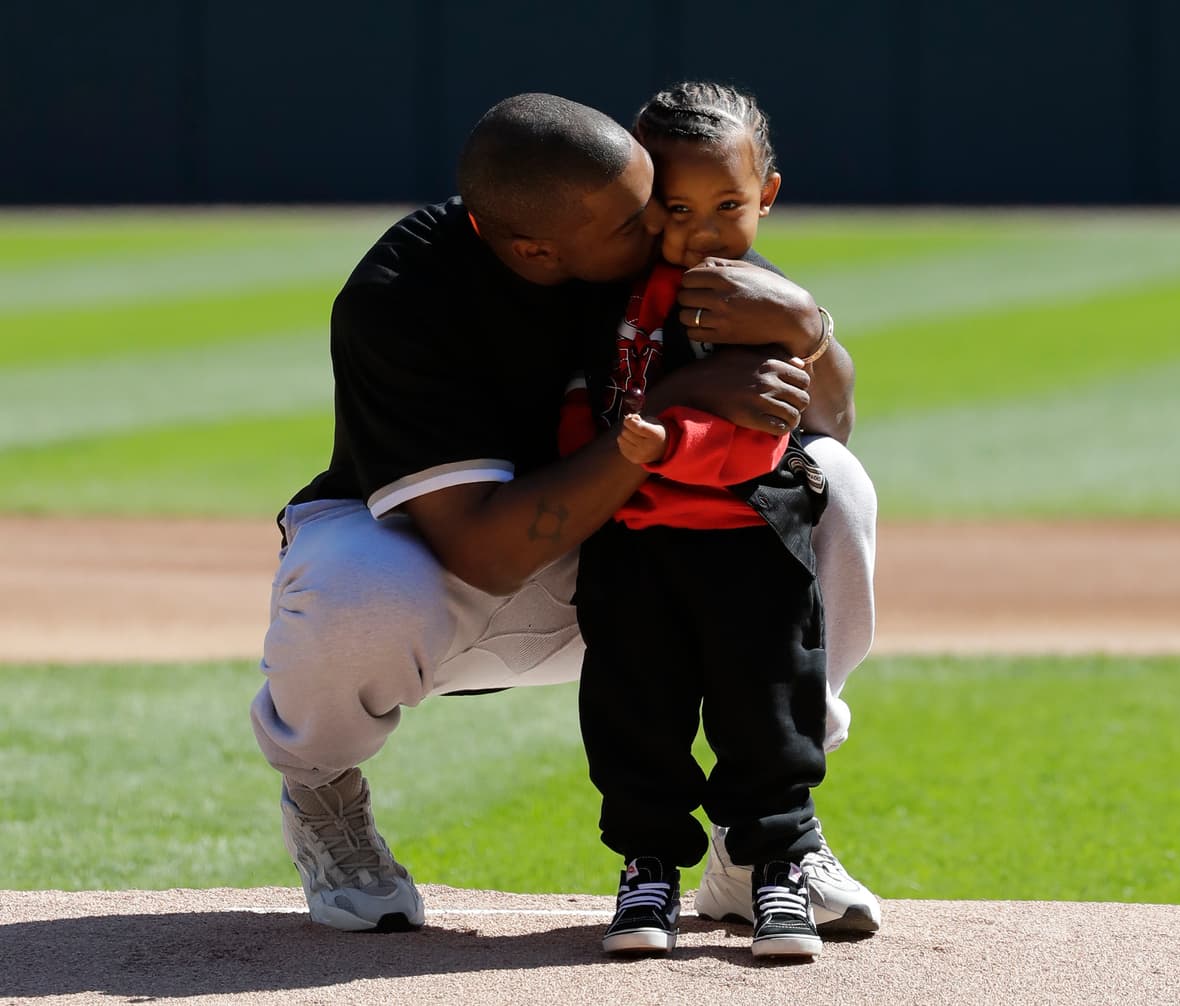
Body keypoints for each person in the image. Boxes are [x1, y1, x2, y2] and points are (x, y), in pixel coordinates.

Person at [248, 91, 880, 937]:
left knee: (828, 480)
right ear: (535, 248)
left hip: (629, 572)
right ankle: (322, 788)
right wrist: (676, 397)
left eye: (654, 197)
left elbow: (824, 422)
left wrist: (808, 327)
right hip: (450, 581)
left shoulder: (662, 250)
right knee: (358, 585)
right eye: (631, 220)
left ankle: (761, 840)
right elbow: (483, 553)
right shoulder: (404, 296)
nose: (658, 224)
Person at [561, 81, 860, 960]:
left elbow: (783, 433)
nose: (698, 230)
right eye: (674, 208)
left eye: (727, 205)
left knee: (767, 713)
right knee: (634, 714)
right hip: (633, 544)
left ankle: (776, 870)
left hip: (750, 543)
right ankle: (647, 870)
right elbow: (582, 411)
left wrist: (803, 331)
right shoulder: (608, 299)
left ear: (767, 194)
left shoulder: (764, 300)